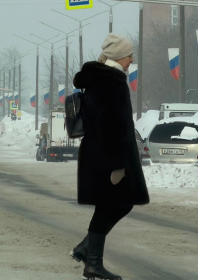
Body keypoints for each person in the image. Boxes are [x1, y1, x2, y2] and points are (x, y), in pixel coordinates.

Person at [70, 33, 149, 280]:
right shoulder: (111, 82)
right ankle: (91, 259)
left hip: (99, 153)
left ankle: (88, 253)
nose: (131, 60)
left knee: (113, 205)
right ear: (118, 57)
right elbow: (111, 124)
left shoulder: (102, 79)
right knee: (117, 204)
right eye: (129, 56)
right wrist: (117, 165)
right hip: (108, 155)